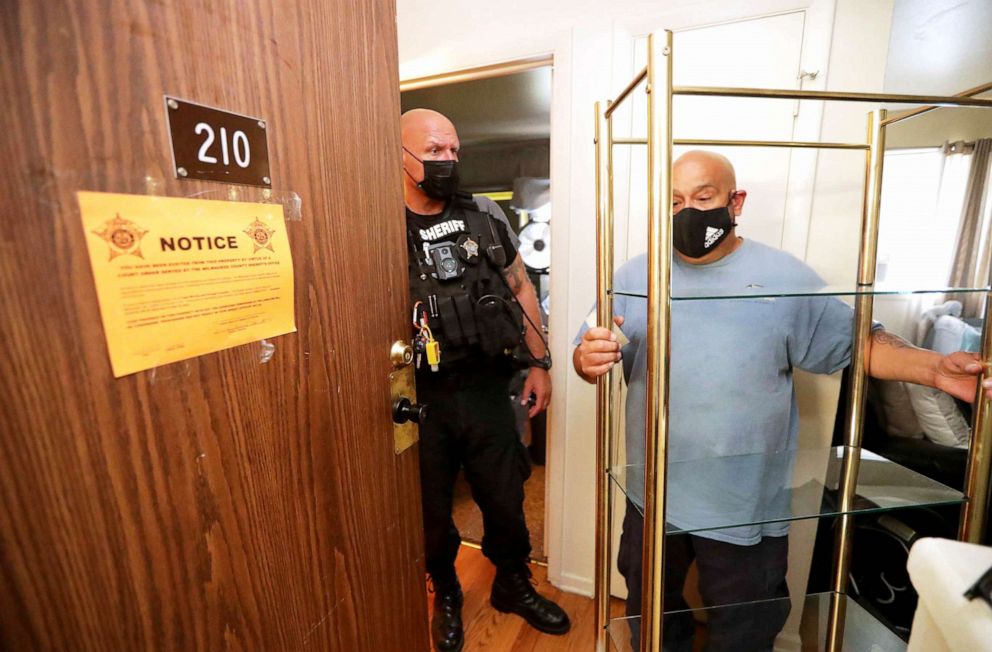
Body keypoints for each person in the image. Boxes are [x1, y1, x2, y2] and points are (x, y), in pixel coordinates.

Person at [572, 150, 991, 651]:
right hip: (652, 491)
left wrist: (935, 370)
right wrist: (586, 357)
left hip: (743, 500)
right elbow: (588, 352)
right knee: (652, 614)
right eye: (675, 201)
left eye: (704, 198)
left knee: (746, 624)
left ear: (736, 201)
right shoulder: (631, 277)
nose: (689, 212)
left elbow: (860, 342)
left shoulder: (785, 279)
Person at [401, 108, 570, 652]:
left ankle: (513, 584)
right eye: (434, 151)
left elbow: (521, 290)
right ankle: (447, 588)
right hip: (418, 398)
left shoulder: (485, 215)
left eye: (454, 150)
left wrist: (540, 363)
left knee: (504, 497)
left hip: (486, 388)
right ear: (400, 156)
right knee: (430, 511)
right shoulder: (372, 223)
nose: (448, 160)